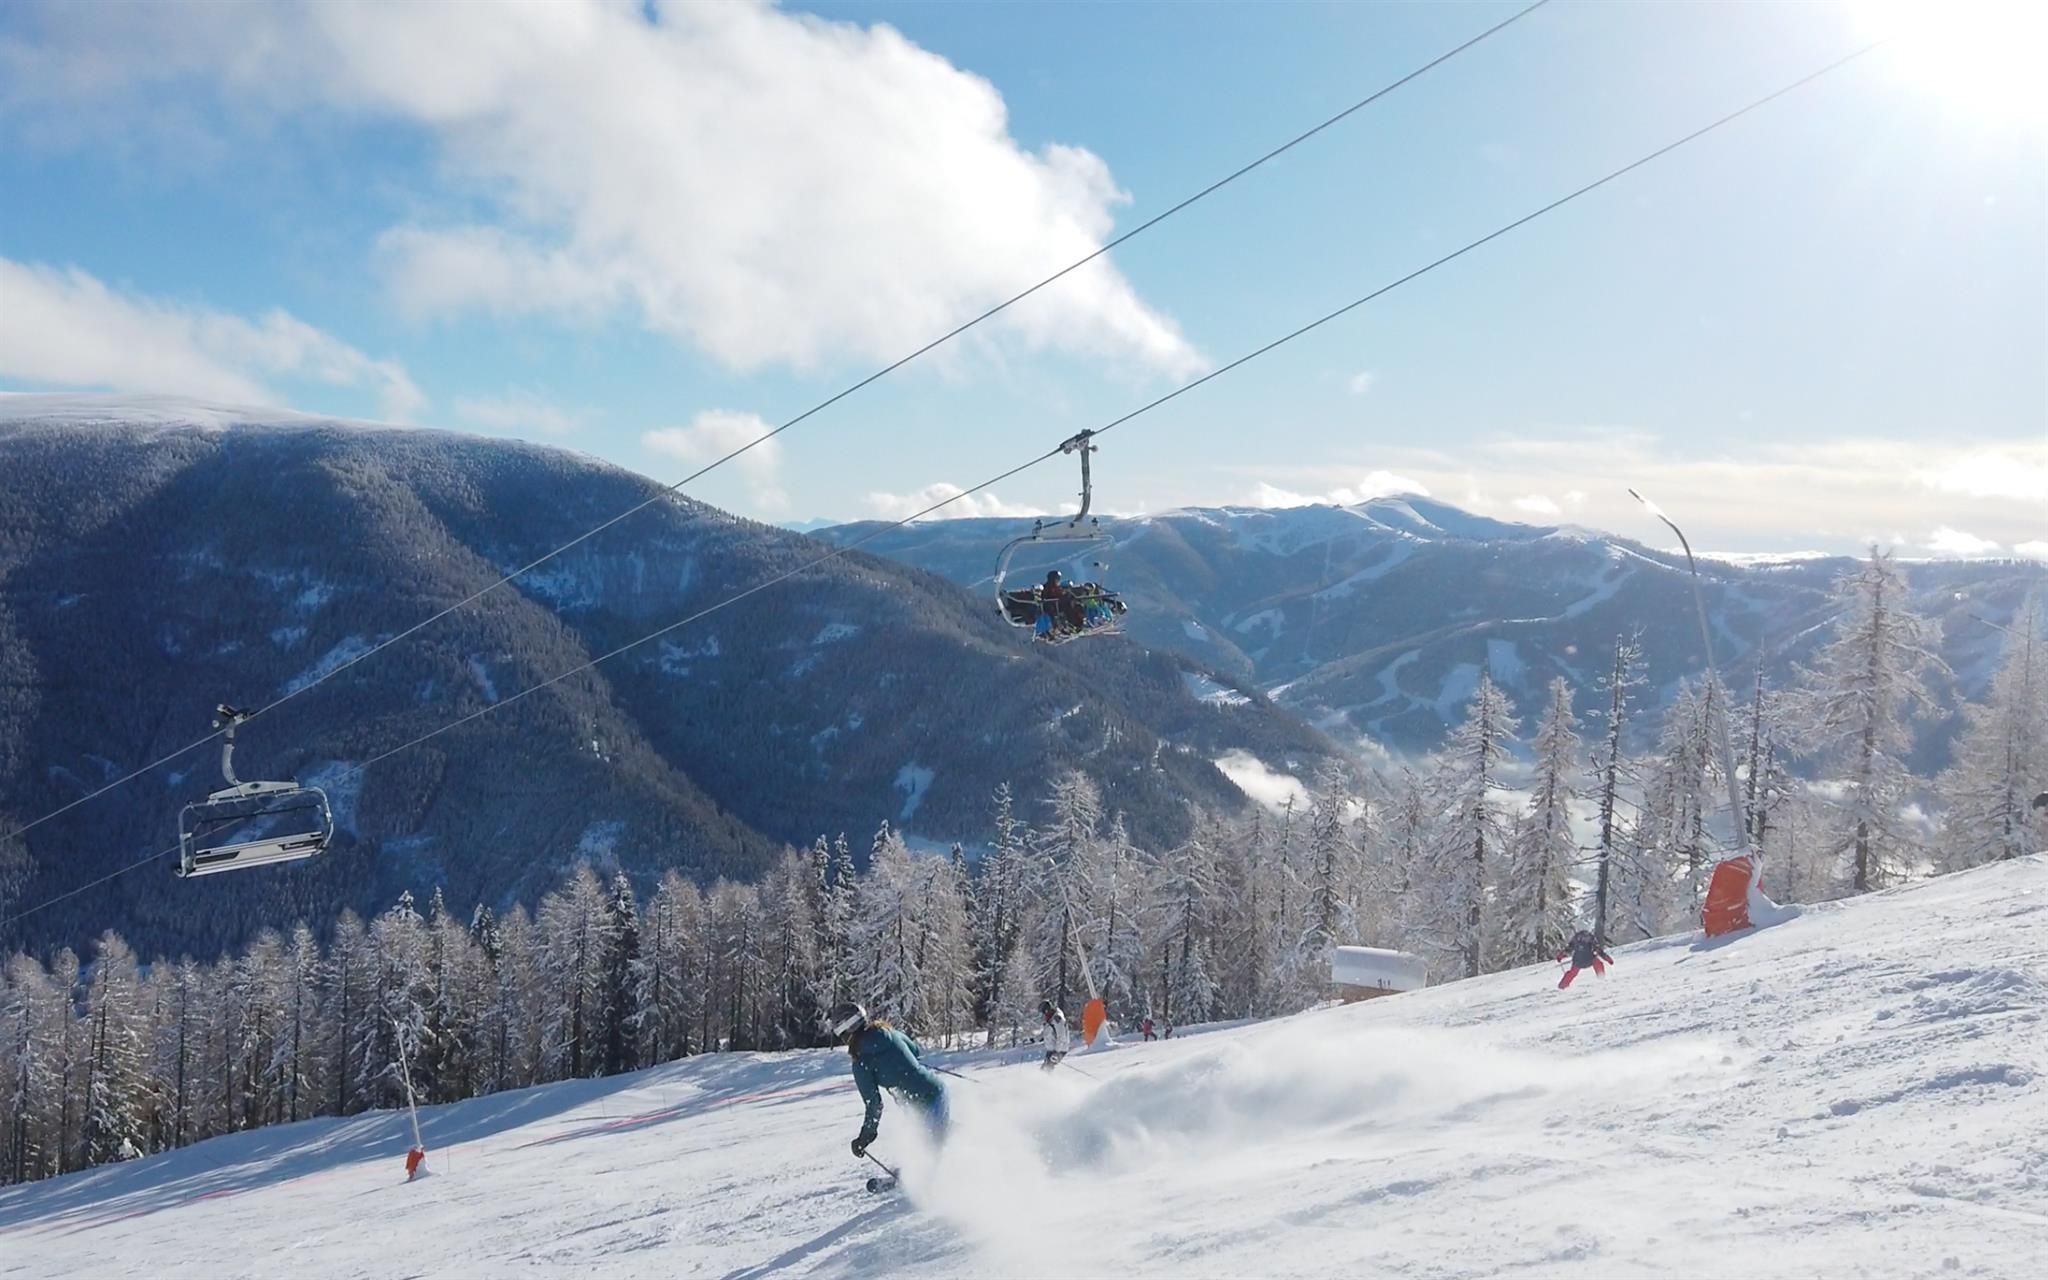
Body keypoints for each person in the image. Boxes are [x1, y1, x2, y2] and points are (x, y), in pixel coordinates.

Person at [828, 1001, 947, 1159]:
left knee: (931, 1154)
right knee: (941, 1138)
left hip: (923, 1101)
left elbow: (874, 1104)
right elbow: (915, 1051)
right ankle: (977, 1139)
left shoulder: (861, 1062)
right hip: (934, 1090)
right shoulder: (889, 1032)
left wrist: (865, 1137)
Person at [1039, 999, 1071, 1071]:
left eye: (1045, 1012)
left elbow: (1061, 1037)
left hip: (1059, 1050)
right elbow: (1046, 1033)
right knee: (1044, 1070)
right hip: (1051, 1050)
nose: (1044, 1015)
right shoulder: (1050, 1019)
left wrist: (1057, 1052)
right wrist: (1033, 1040)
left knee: (1046, 1070)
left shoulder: (1057, 1019)